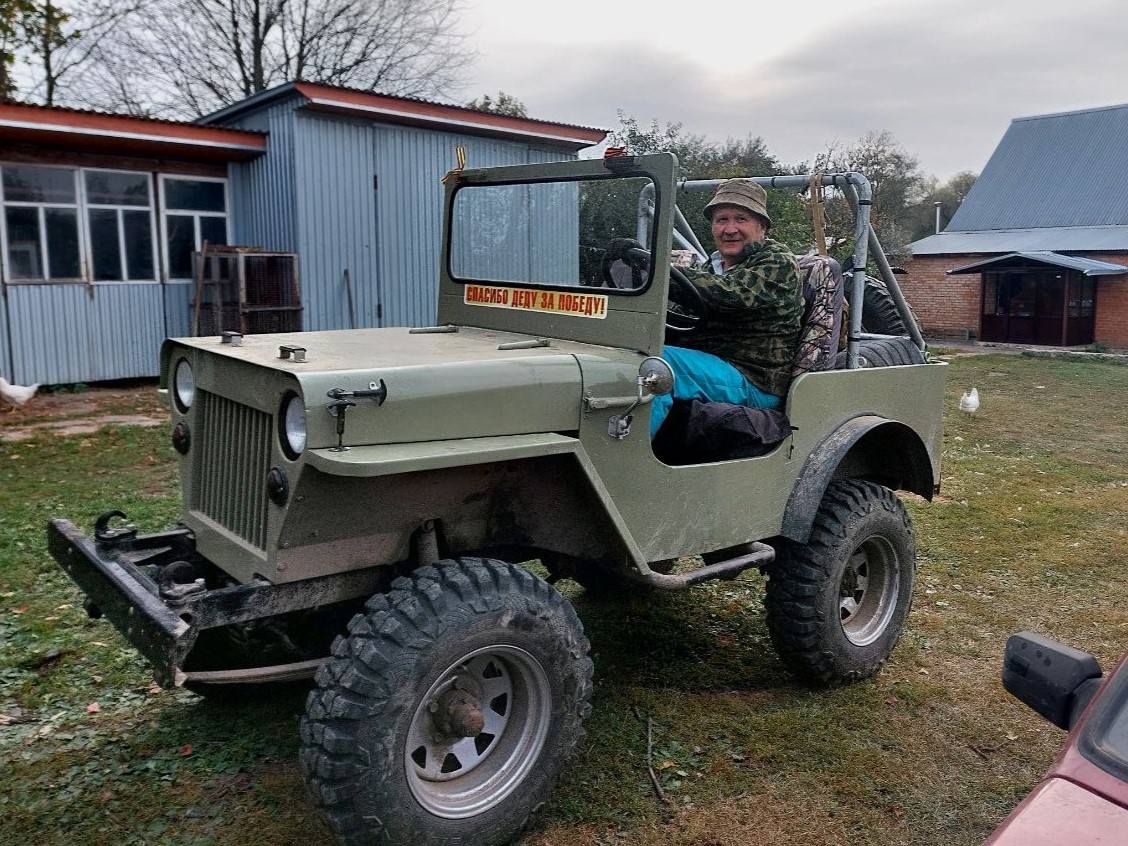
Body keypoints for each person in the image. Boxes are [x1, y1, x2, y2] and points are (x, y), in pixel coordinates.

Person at [647, 179, 804, 437]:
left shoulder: (777, 261)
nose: (730, 229)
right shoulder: (713, 266)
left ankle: (626, 465)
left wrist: (659, 273)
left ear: (761, 227)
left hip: (755, 378)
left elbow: (731, 294)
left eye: (741, 219)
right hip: (719, 367)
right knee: (633, 351)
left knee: (656, 365)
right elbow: (689, 316)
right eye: (722, 220)